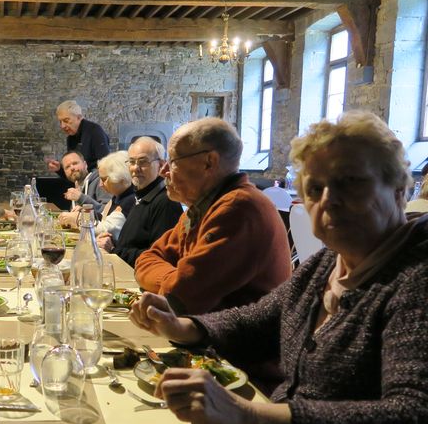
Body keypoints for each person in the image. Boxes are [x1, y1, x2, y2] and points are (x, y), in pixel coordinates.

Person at [129, 111, 428, 424]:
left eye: (351, 183)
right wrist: (184, 326)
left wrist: (256, 417)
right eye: (316, 189)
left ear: (401, 189)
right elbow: (260, 318)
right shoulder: (329, 262)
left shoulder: (416, 277)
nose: (329, 201)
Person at [134, 118, 291, 315]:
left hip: (234, 343)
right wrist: (173, 277)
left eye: (173, 161)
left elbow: (180, 297)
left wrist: (170, 281)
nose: (164, 171)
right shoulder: (202, 207)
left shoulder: (238, 209)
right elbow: (147, 259)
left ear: (209, 162)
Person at [97, 137, 183, 267]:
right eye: (131, 162)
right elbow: (134, 242)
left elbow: (161, 257)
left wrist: (115, 250)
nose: (135, 168)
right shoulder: (140, 196)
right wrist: (112, 242)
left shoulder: (166, 202)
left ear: (161, 164)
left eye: (143, 162)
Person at [68, 150, 136, 242]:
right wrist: (85, 213)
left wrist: (77, 219)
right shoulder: (117, 196)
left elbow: (106, 229)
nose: (100, 184)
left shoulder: (129, 200)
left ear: (120, 178)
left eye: (104, 179)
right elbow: (102, 217)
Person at [46, 100, 110, 173]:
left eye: (66, 120)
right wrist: (59, 169)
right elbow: (74, 174)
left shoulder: (95, 131)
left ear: (79, 117)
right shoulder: (71, 138)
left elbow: (106, 166)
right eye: (60, 122)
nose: (62, 126)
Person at [55, 150, 111, 217]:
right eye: (67, 167)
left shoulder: (100, 181)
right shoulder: (76, 187)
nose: (72, 168)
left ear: (85, 165)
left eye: (75, 163)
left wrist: (81, 198)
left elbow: (108, 211)